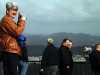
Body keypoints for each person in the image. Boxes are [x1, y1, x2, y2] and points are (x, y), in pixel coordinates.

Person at [0, 2, 26, 75]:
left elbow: (14, 31)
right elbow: (17, 31)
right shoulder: (6, 20)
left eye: (16, 10)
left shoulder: (9, 20)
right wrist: (22, 20)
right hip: (10, 51)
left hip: (10, 51)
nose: (15, 12)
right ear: (7, 11)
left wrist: (19, 20)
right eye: (12, 10)